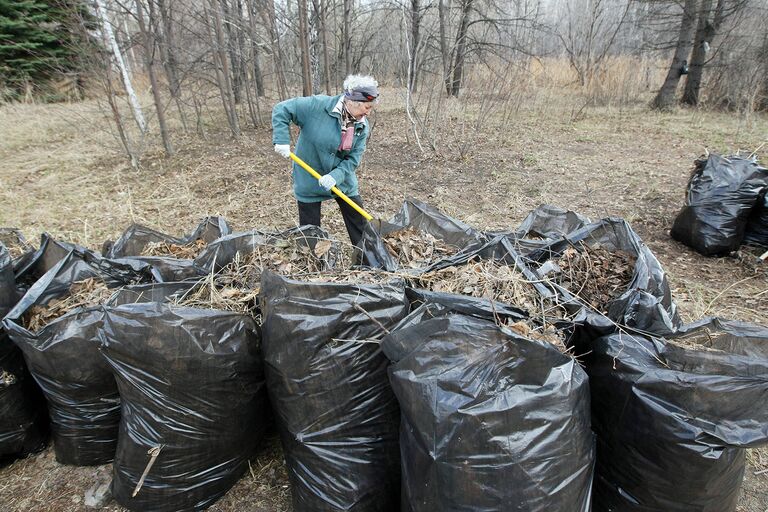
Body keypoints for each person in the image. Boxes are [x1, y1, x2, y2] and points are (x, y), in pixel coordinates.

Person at [272, 74, 378, 246]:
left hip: (341, 176)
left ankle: (368, 259)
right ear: (352, 101)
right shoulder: (316, 106)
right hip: (309, 174)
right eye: (366, 107)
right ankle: (313, 265)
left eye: (371, 108)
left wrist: (335, 176)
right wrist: (281, 139)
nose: (368, 112)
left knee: (359, 222)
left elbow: (353, 159)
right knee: (310, 231)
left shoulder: (361, 126)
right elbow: (281, 109)